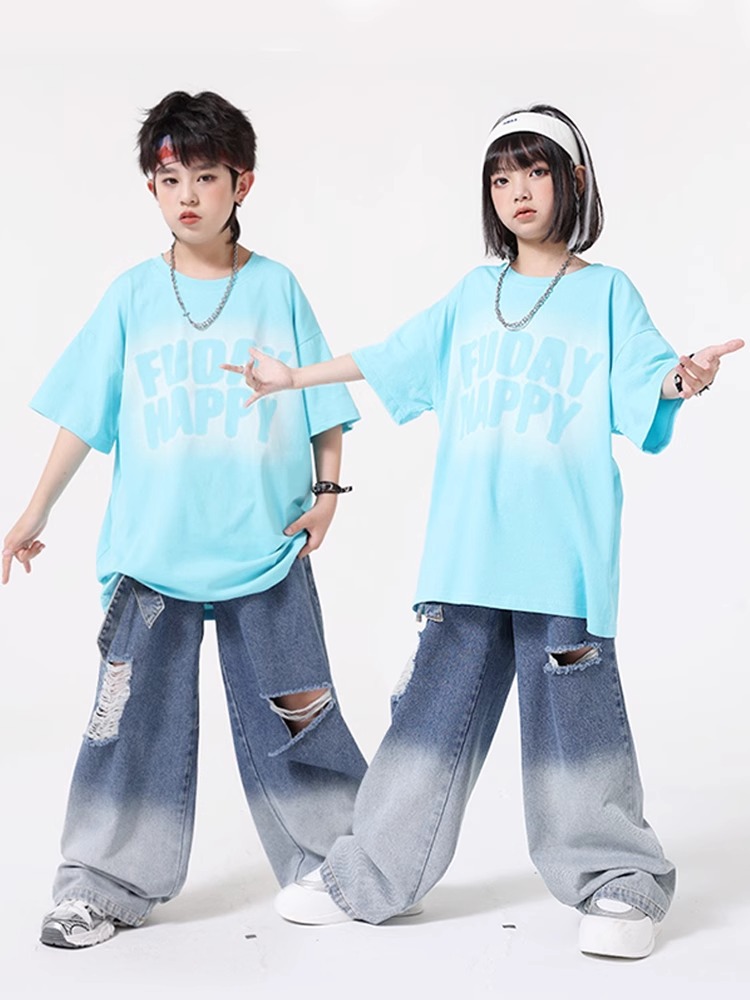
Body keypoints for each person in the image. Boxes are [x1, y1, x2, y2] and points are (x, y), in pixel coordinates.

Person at [222, 104, 744, 959]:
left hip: (562, 559)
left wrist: (688, 379)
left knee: (576, 726)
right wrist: (292, 378)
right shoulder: (474, 294)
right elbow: (393, 355)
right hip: (468, 556)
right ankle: (369, 875)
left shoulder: (607, 293)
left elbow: (651, 378)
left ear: (573, 181)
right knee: (427, 721)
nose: (517, 191)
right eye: (501, 177)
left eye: (534, 171)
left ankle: (618, 882)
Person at [1, 90, 368, 949]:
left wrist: (327, 493)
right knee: (129, 725)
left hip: (264, 547)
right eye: (171, 181)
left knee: (298, 712)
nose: (189, 196)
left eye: (206, 177)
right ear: (152, 189)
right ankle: (101, 884)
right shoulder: (131, 295)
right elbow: (83, 417)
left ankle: (344, 863)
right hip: (153, 556)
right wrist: (31, 512)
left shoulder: (275, 287)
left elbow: (323, 401)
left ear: (242, 183)